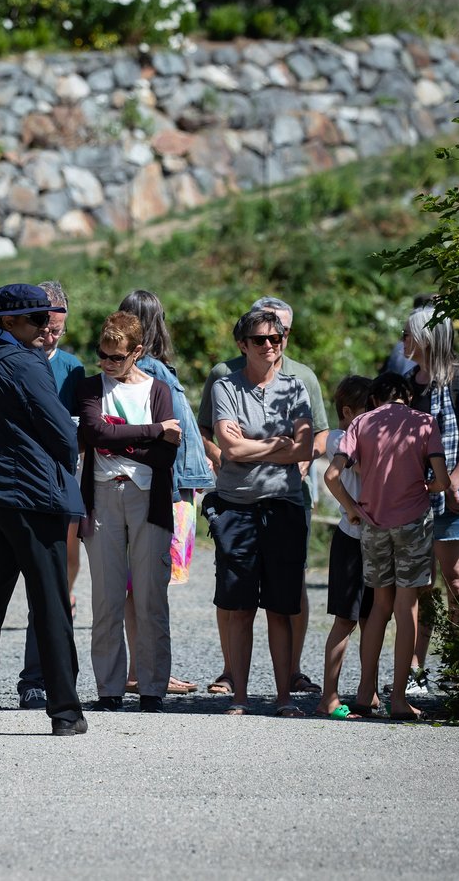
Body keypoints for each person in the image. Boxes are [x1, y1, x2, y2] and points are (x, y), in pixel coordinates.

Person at [0, 284, 87, 737]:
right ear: (9, 321)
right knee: (50, 603)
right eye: (36, 319)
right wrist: (61, 466)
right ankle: (65, 712)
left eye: (46, 318)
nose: (45, 326)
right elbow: (61, 432)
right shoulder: (25, 363)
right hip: (34, 497)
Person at [198, 296, 327, 697]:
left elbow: (307, 446)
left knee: (282, 606)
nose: (270, 345)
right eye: (260, 340)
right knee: (238, 606)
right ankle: (238, 694)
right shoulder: (224, 383)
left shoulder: (298, 385)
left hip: (284, 503)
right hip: (236, 506)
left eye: (276, 338)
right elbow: (229, 448)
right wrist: (278, 444)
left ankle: (284, 695)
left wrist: (255, 445)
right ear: (243, 345)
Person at [326, 373, 449, 721]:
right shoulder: (424, 422)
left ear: (375, 399)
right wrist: (426, 487)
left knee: (379, 605)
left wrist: (352, 509)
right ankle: (398, 699)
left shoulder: (362, 423)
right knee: (406, 606)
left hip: (373, 525)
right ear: (407, 396)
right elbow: (442, 479)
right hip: (412, 523)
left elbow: (332, 476)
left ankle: (366, 694)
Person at [76, 311, 180, 713]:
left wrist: (119, 439)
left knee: (152, 598)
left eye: (116, 357)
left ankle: (153, 686)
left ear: (137, 352)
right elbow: (95, 433)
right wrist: (153, 430)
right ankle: (109, 688)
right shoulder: (89, 387)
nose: (106, 363)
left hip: (147, 498)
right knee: (106, 598)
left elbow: (166, 457)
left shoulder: (158, 390)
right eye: (101, 354)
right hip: (102, 496)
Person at [118, 288, 214, 696]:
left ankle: (142, 667)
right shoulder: (156, 371)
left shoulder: (127, 370)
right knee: (151, 584)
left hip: (140, 484)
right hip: (167, 489)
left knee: (135, 585)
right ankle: (150, 671)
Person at [402, 305, 459, 696]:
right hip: (412, 499)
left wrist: (451, 484)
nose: (403, 341)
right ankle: (415, 673)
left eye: (408, 333)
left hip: (454, 497)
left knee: (456, 579)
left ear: (425, 337)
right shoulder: (406, 383)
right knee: (419, 584)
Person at [316, 375, 375, 719]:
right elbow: (340, 474)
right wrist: (352, 508)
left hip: (376, 539)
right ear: (350, 411)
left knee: (373, 618)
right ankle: (330, 697)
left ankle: (369, 692)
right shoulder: (340, 438)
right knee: (345, 619)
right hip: (351, 540)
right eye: (372, 410)